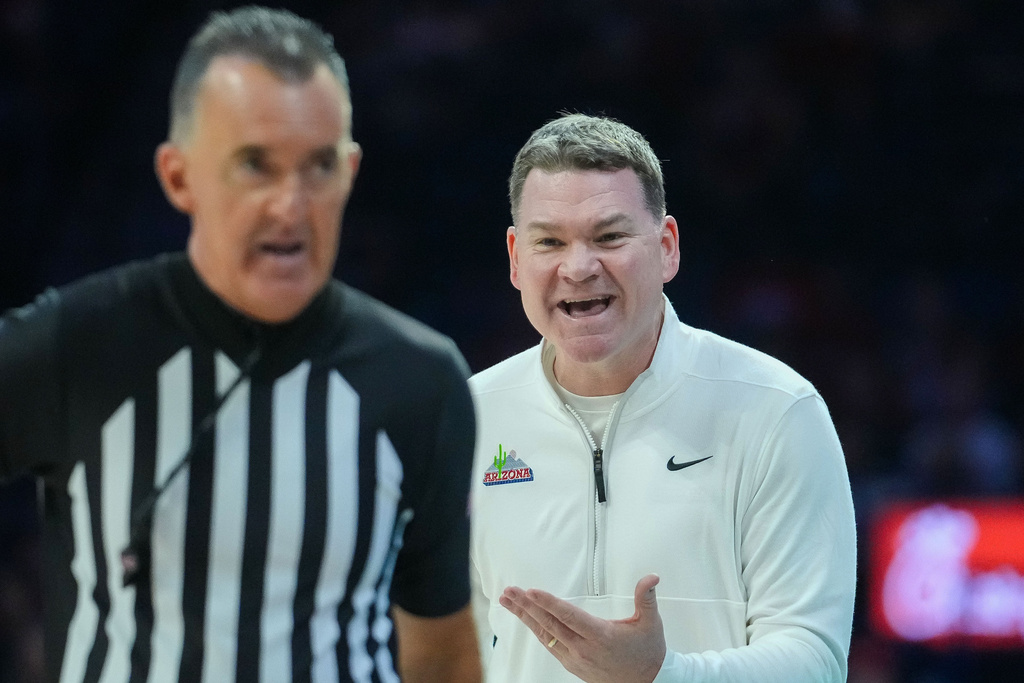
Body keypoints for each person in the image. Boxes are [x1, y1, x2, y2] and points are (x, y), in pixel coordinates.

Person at [0, 7, 481, 683]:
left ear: (349, 172)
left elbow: (443, 652)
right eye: (255, 165)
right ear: (178, 177)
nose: (291, 205)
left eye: (318, 167)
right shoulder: (75, 346)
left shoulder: (422, 380)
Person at [468, 113, 857, 682]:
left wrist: (664, 676)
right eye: (549, 241)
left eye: (609, 237)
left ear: (667, 247)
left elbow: (815, 661)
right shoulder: (466, 417)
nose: (579, 267)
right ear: (515, 260)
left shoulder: (776, 411)